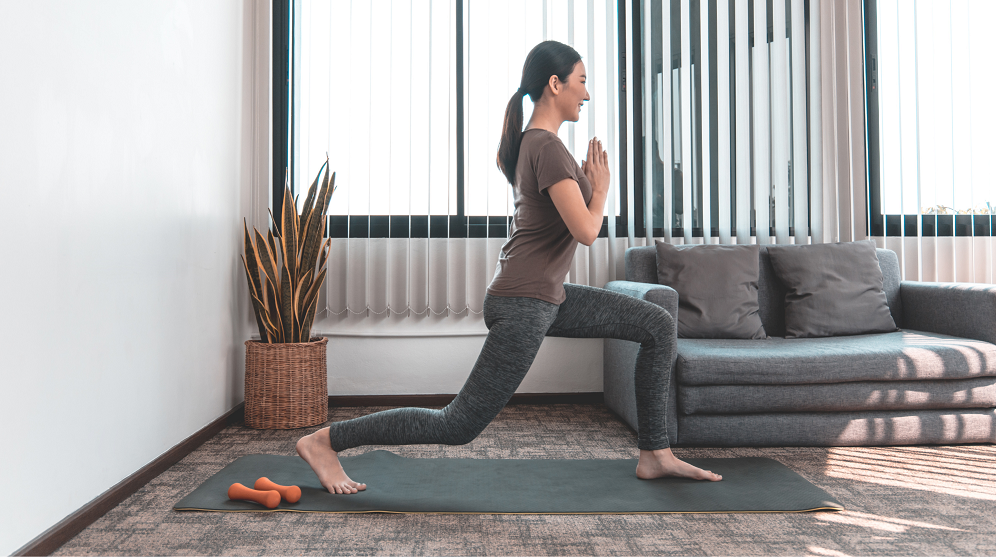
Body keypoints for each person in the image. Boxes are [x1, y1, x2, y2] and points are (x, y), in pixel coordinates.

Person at [296, 40, 722, 494]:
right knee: (457, 424)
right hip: (524, 301)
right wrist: (600, 188)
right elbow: (586, 230)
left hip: (546, 296)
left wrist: (585, 183)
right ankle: (325, 442)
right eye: (582, 81)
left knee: (656, 323)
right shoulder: (546, 147)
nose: (587, 94)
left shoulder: (534, 145)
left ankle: (655, 453)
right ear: (554, 84)